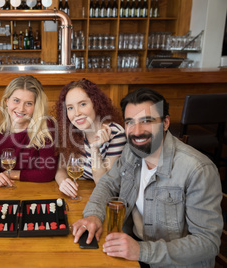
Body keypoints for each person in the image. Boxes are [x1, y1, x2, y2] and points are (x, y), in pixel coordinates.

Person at [72, 88, 223, 267]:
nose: (136, 131)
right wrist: (93, 216)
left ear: (165, 123)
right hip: (133, 253)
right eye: (130, 122)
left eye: (146, 121)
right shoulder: (131, 151)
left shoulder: (198, 170)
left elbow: (207, 243)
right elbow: (108, 183)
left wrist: (142, 250)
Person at [55, 79, 126, 198]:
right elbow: (60, 168)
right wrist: (63, 182)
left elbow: (103, 184)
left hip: (103, 200)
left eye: (82, 104)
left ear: (96, 103)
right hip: (80, 195)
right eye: (70, 108)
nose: (76, 113)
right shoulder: (71, 132)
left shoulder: (115, 134)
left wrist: (94, 150)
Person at [0, 75, 57, 186]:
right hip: (8, 195)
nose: (21, 108)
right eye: (16, 101)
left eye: (28, 103)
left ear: (36, 106)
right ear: (7, 101)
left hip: (40, 193)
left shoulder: (45, 128)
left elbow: (47, 173)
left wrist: (12, 174)